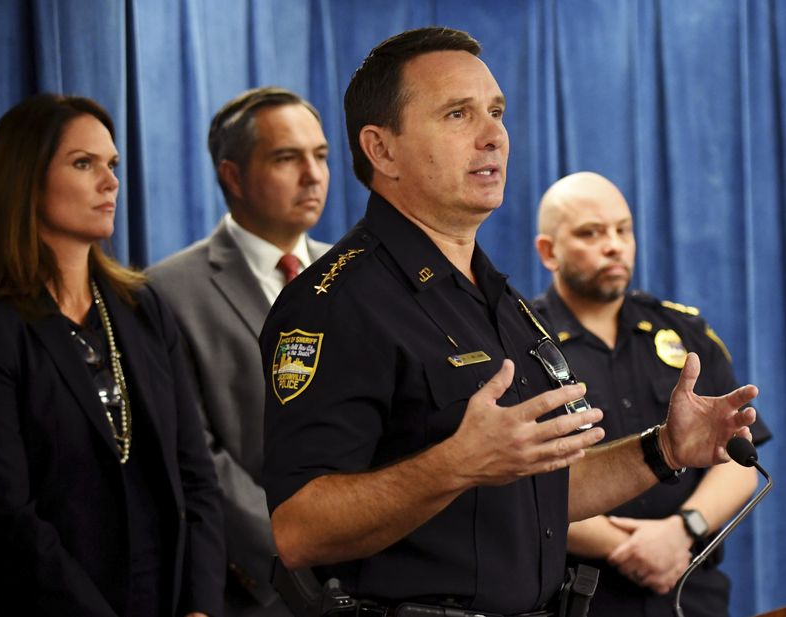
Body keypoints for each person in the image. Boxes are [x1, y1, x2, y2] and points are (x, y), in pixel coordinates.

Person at [259, 26, 759, 616]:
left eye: (496, 113)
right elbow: (299, 531)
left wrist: (664, 450)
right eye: (457, 114)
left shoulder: (498, 296)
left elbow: (542, 487)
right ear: (382, 149)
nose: (494, 135)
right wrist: (455, 464)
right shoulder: (334, 300)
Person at [0, 94, 226, 617]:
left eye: (112, 164)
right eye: (84, 164)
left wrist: (200, 607)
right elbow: (9, 518)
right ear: (26, 181)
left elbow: (197, 477)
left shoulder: (144, 309)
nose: (110, 182)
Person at [531, 171, 771, 617]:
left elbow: (741, 458)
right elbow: (515, 486)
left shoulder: (684, 331)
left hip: (689, 592)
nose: (613, 245)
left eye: (623, 230)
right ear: (549, 251)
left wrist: (680, 532)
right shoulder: (522, 341)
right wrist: (633, 548)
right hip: (578, 597)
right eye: (591, 232)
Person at [147, 86, 331, 617]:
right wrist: (299, 547)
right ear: (232, 175)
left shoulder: (355, 273)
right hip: (255, 588)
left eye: (319, 156)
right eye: (286, 158)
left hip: (372, 575)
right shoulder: (165, 291)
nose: (313, 174)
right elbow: (198, 455)